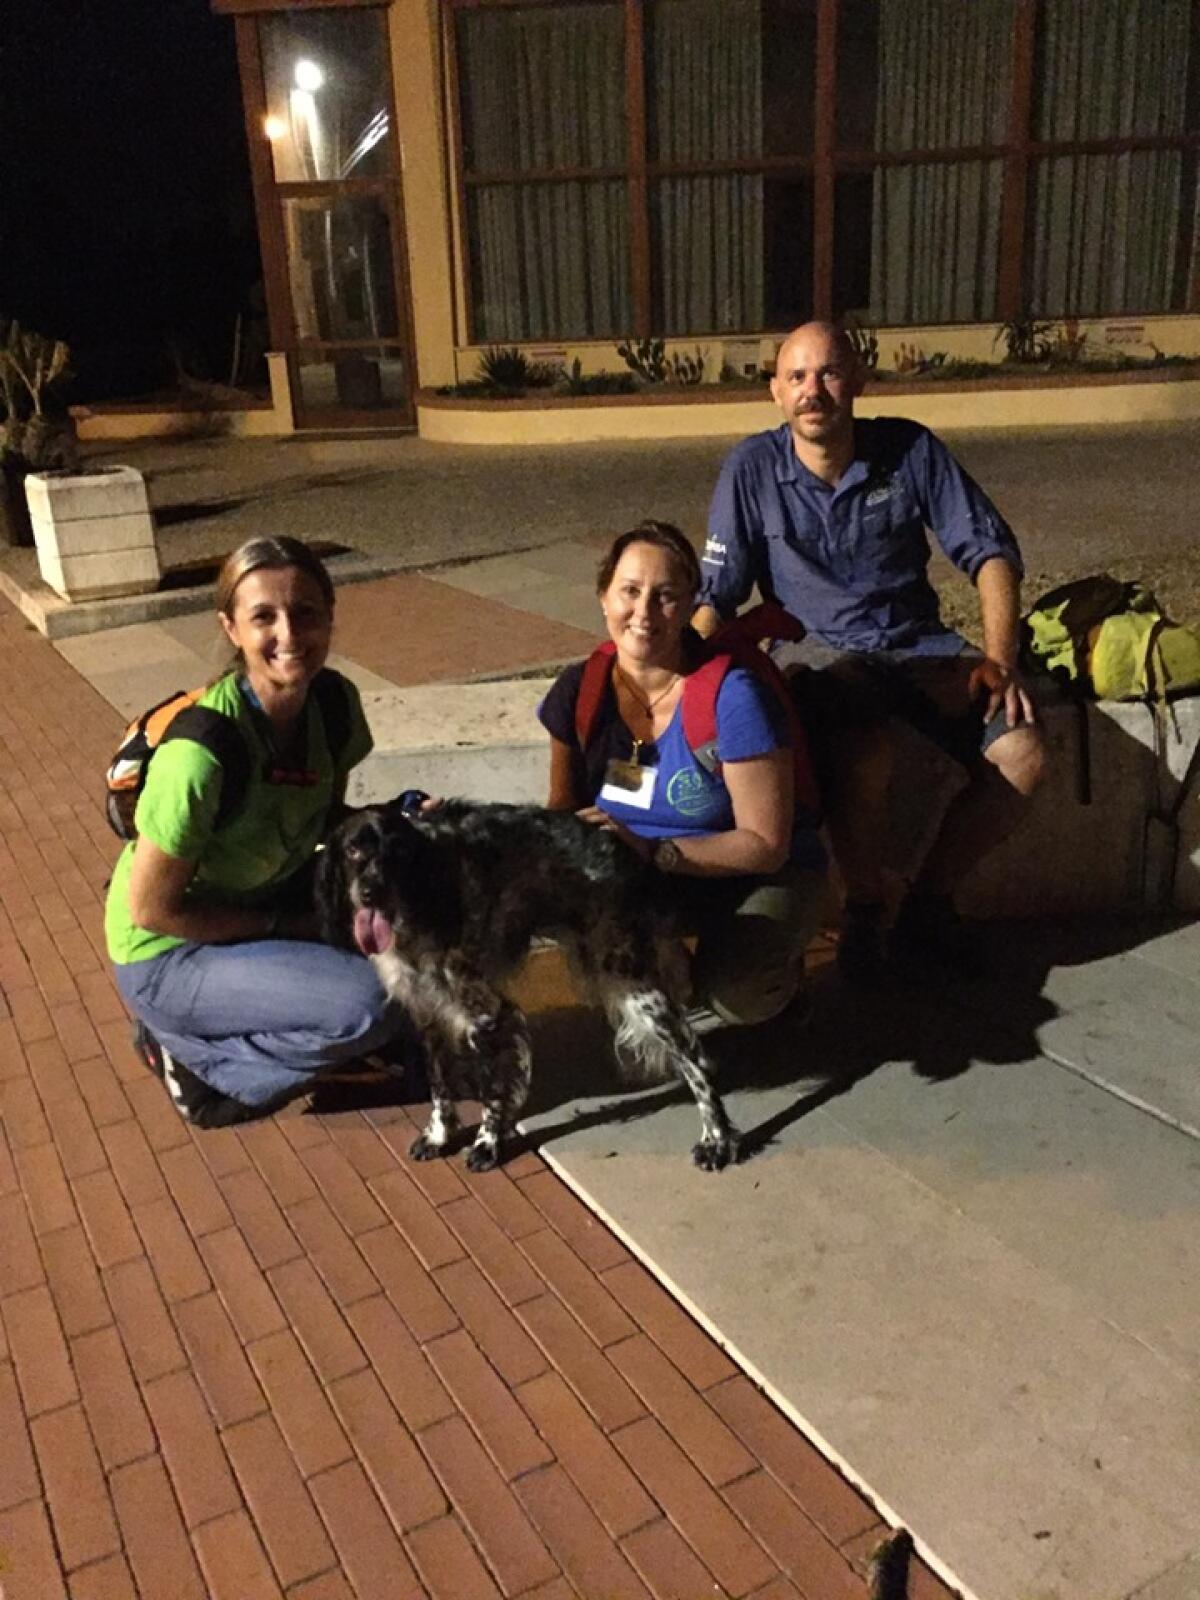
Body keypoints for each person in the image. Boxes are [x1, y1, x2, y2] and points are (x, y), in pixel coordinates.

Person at [694, 321, 1046, 982]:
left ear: (857, 381)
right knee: (860, 748)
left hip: (922, 649)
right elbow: (719, 593)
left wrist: (1000, 660)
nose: (812, 390)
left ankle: (929, 905)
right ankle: (863, 909)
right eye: (796, 376)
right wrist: (671, 680)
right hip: (823, 658)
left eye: (828, 373)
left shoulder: (909, 448)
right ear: (776, 391)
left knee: (1023, 750)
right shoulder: (752, 468)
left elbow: (991, 553)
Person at [105, 536, 412, 1126]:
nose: (289, 635)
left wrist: (399, 822)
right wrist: (295, 926)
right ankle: (194, 1060)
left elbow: (321, 811)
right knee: (372, 1005)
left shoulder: (336, 705)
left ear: (329, 617)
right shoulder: (200, 755)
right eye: (263, 617)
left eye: (305, 613)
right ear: (231, 628)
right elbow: (151, 911)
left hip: (255, 896)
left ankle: (254, 1018)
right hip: (168, 951)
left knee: (413, 937)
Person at [538, 520, 827, 1032]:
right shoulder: (580, 689)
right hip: (641, 877)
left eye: (666, 595)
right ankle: (668, 966)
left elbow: (765, 844)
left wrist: (651, 852)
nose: (643, 612)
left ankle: (774, 975)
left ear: (691, 603)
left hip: (748, 874)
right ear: (604, 597)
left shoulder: (732, 697)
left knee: (737, 995)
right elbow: (562, 806)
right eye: (629, 591)